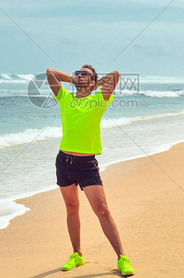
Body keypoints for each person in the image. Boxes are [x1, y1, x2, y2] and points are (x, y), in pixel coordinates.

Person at [46, 65, 135, 276]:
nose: (79, 75)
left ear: (93, 82)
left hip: (87, 165)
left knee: (102, 210)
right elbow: (49, 73)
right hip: (63, 162)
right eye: (77, 72)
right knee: (71, 208)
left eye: (84, 73)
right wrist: (75, 80)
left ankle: (122, 257)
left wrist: (93, 84)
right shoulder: (65, 99)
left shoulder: (98, 100)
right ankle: (77, 254)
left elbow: (116, 75)